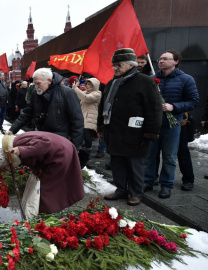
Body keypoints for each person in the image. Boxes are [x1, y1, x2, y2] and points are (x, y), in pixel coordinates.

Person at [98, 48, 163, 206]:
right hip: (114, 132)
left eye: (119, 65)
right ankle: (121, 189)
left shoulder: (145, 82)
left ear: (130, 64)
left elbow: (154, 109)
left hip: (135, 134)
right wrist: (100, 127)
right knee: (117, 163)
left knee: (135, 166)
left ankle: (135, 193)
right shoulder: (111, 83)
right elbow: (103, 106)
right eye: (114, 65)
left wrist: (150, 133)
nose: (115, 68)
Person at [144, 50, 199, 198]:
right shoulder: (151, 79)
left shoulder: (186, 79)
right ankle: (148, 181)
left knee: (169, 156)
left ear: (176, 61)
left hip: (173, 124)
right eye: (159, 59)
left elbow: (193, 101)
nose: (161, 61)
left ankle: (166, 185)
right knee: (150, 155)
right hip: (154, 123)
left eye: (165, 59)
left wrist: (174, 107)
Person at [0, 132, 85, 214]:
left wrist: (22, 150)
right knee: (43, 186)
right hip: (59, 150)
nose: (6, 171)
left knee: (45, 190)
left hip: (60, 154)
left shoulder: (17, 146)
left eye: (4, 169)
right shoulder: (14, 147)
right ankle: (46, 213)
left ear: (5, 162)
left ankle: (45, 216)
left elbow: (46, 143)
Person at [6, 68, 84, 151]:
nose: (36, 87)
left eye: (38, 84)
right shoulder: (35, 93)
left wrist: (75, 147)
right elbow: (27, 113)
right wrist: (12, 130)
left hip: (61, 141)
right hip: (42, 138)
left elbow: (77, 121)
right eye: (34, 84)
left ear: (49, 80)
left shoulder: (67, 93)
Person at [73, 78, 102, 168]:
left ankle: (87, 154)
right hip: (82, 117)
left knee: (87, 136)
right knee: (80, 136)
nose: (87, 86)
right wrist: (75, 88)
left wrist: (76, 88)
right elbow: (78, 97)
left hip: (89, 118)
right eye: (87, 84)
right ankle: (80, 154)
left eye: (90, 84)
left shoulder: (97, 93)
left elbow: (86, 98)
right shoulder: (85, 92)